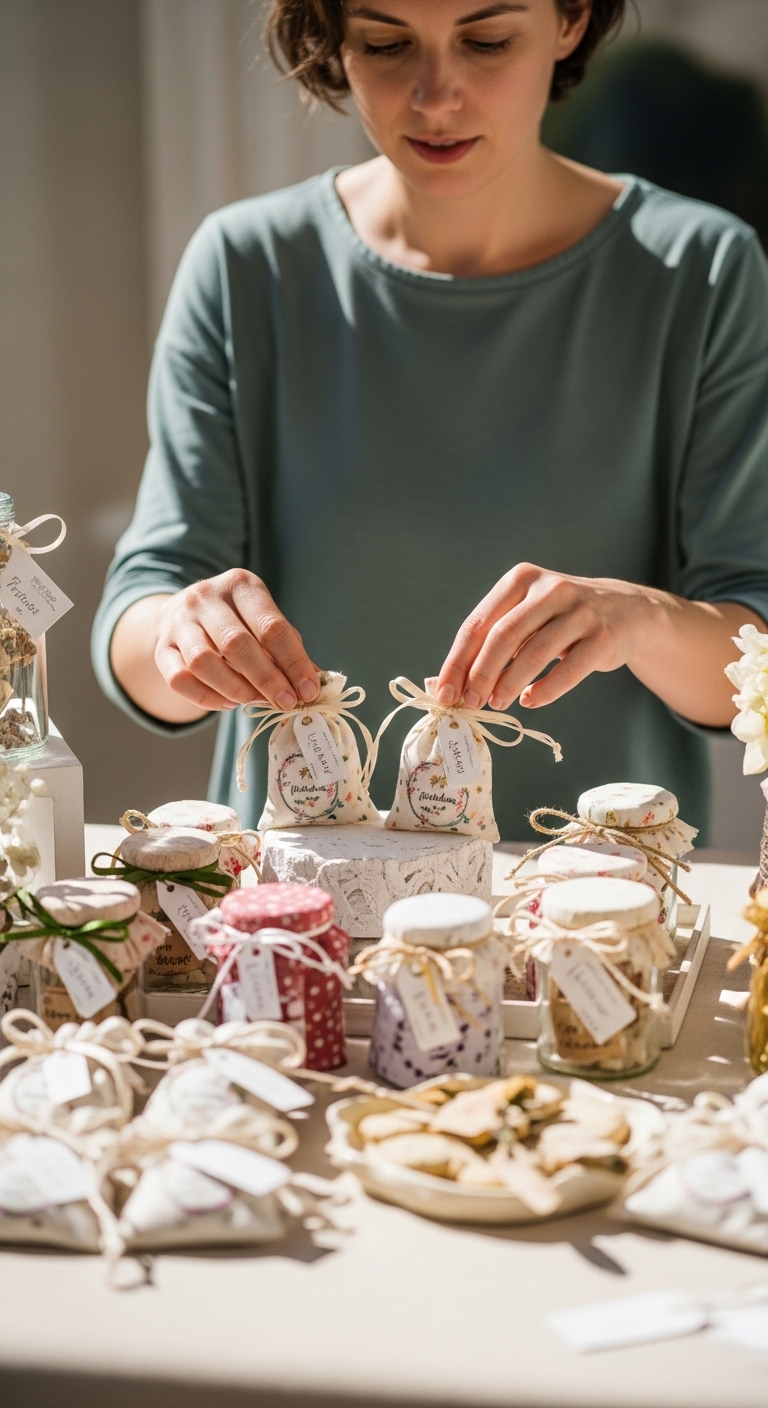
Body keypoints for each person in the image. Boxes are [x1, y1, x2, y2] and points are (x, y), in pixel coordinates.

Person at [92, 0, 768, 841]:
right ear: (332, 39)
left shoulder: (701, 271)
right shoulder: (246, 266)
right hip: (301, 920)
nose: (435, 95)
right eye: (385, 43)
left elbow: (753, 639)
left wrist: (641, 618)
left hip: (595, 911)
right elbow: (137, 618)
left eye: (486, 41)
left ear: (569, 22)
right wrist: (180, 630)